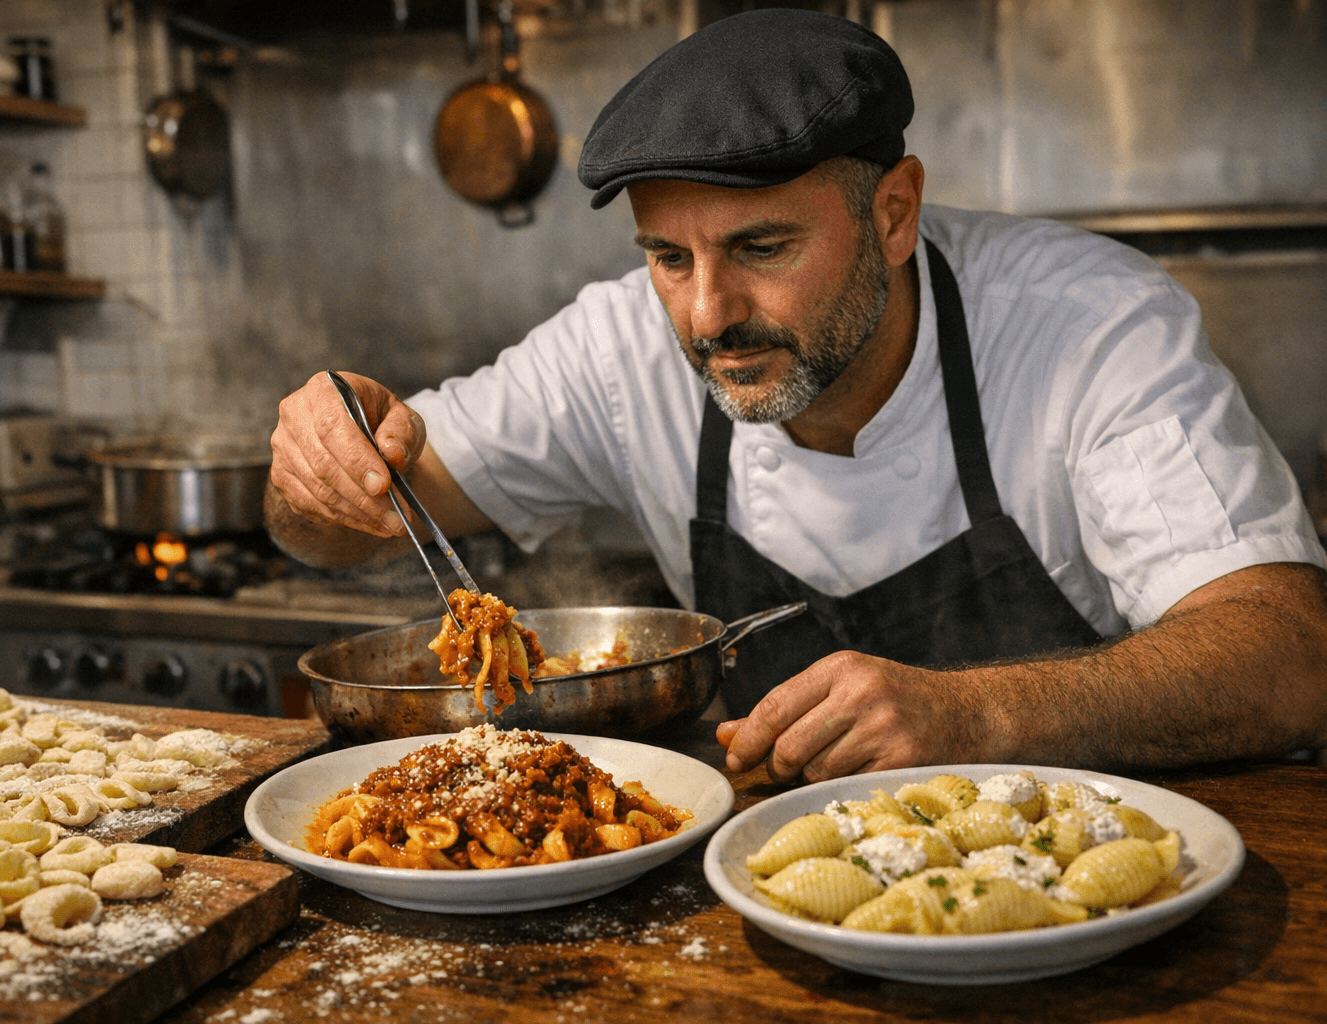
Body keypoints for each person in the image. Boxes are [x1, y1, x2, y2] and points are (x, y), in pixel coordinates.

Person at [266, 10, 1327, 784]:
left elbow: (1287, 654)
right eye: (668, 257)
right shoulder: (616, 349)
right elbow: (341, 531)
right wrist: (322, 472)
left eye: (762, 247)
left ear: (895, 214)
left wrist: (980, 710)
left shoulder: (1086, 325)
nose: (707, 315)